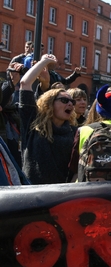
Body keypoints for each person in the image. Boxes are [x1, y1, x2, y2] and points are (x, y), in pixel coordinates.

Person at [19, 54, 77, 184]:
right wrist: (44, 62)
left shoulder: (74, 132)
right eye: (64, 100)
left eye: (72, 102)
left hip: (59, 196)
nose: (70, 104)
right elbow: (25, 83)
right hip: (31, 193)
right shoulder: (33, 124)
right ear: (49, 104)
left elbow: (77, 168)